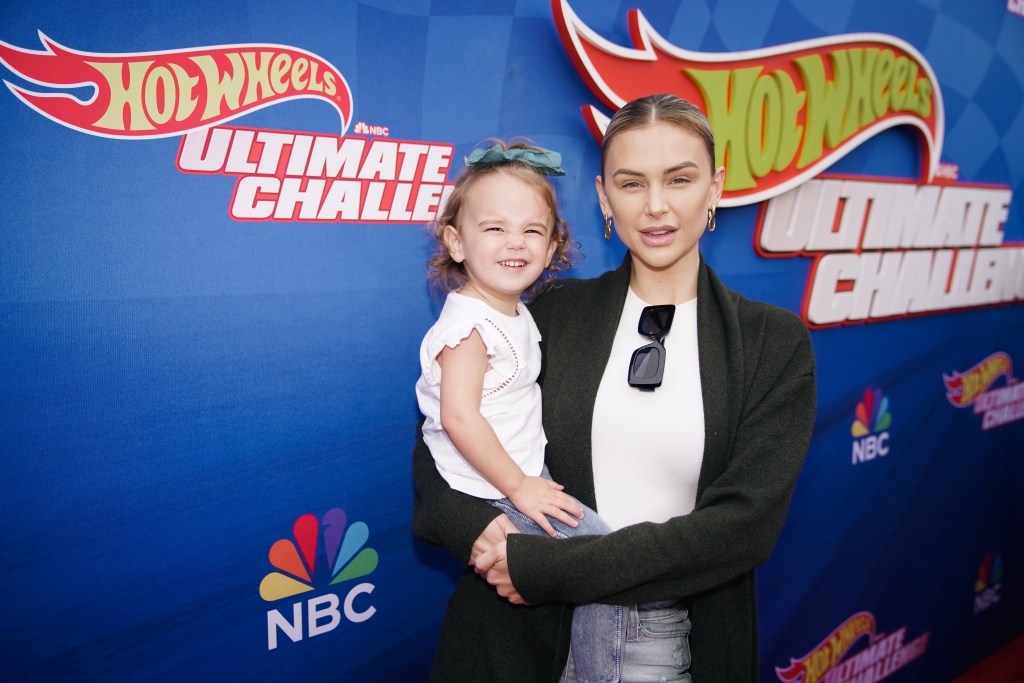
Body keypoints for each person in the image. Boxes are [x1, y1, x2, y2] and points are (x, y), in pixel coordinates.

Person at [413, 94, 816, 682]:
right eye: (631, 184)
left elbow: (743, 526)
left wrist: (551, 567)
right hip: (515, 638)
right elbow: (439, 440)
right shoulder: (544, 311)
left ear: (715, 187)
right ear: (604, 196)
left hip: (661, 644)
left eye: (679, 179)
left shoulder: (770, 343)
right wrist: (476, 531)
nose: (656, 207)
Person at [414, 139, 627, 683]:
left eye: (532, 230)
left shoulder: (515, 312)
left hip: (522, 482)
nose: (516, 242)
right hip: (495, 491)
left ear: (554, 243)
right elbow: (458, 418)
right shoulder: (467, 328)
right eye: (494, 228)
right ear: (455, 242)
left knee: (599, 567)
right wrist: (519, 487)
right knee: (605, 561)